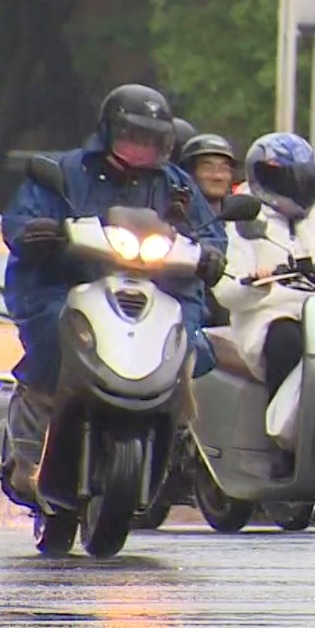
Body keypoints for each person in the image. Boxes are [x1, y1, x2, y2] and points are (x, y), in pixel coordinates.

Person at [0, 84, 228, 504]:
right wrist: (36, 231)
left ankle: (176, 440)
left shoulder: (176, 185)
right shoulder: (65, 171)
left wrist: (212, 254)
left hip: (158, 291)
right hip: (66, 284)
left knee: (192, 346)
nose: (141, 149)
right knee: (55, 335)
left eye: (151, 140)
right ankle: (30, 442)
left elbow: (209, 234)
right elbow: (20, 218)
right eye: (131, 137)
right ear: (107, 132)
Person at [210, 132, 315, 408]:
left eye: (304, 178)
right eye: (288, 179)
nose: (298, 187)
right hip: (266, 317)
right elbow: (225, 290)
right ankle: (286, 432)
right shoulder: (243, 221)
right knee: (287, 341)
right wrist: (256, 283)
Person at [179, 133, 239, 326]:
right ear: (190, 172)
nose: (217, 176)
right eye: (208, 167)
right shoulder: (176, 215)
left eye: (224, 168)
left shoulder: (244, 218)